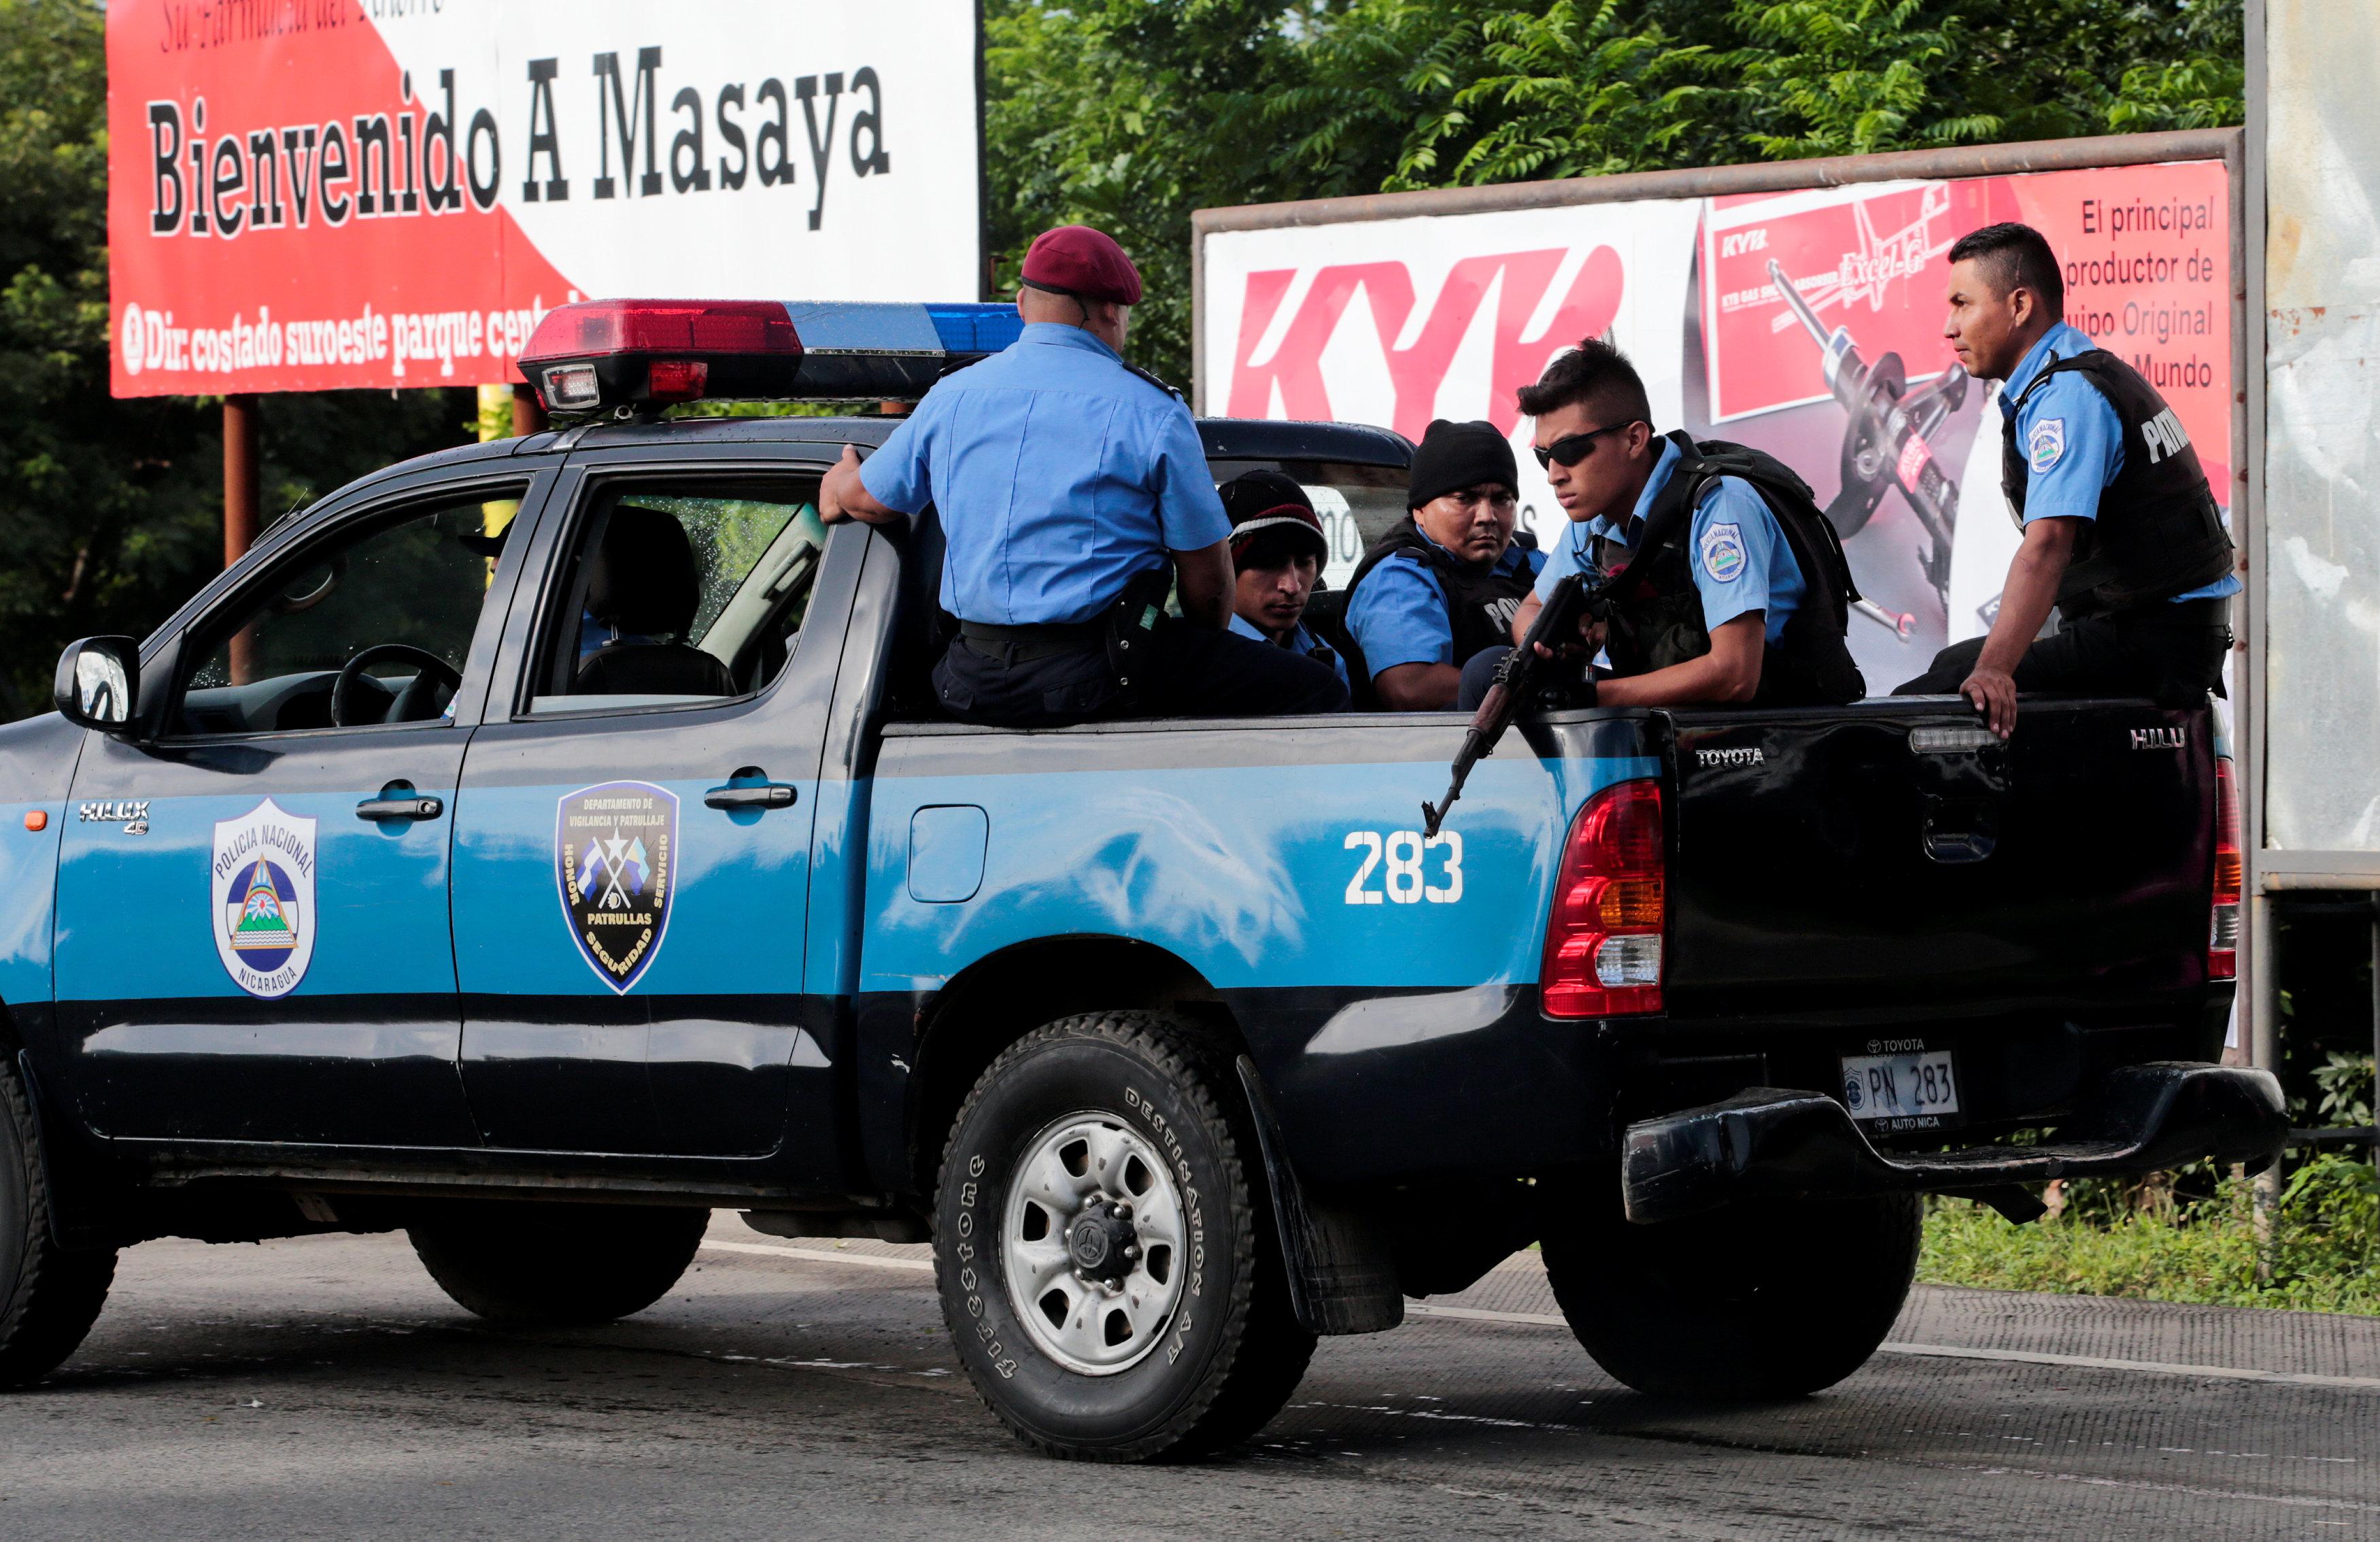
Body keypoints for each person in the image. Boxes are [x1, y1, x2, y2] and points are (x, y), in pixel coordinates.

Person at [817, 224, 1348, 725]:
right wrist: (1206, 644)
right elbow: (1208, 593)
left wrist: (838, 482)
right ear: (1111, 311)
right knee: (1321, 689)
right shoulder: (1152, 411)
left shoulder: (952, 397)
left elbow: (870, 499)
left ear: (1023, 305)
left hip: (967, 683)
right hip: (1102, 679)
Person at [1891, 221, 2236, 735]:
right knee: (1954, 664)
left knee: (1928, 694)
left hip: (2156, 640)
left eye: (1963, 304)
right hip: (2156, 628)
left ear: (2020, 306)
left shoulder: (2066, 397)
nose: (1949, 327)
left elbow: (2048, 545)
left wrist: (1994, 670)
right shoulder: (2077, 370)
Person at [1467, 337, 1863, 710]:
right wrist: (1554, 642)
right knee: (1491, 670)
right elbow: (1532, 608)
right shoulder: (1594, 522)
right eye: (1544, 456)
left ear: (1635, 440)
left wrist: (1591, 695)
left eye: (1570, 450)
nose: (1555, 474)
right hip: (1672, 721)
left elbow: (1735, 674)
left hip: (1769, 728)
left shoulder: (1718, 506)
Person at [1343, 419, 1544, 709]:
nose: (1487, 515)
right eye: (1465, 499)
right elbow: (1409, 687)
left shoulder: (1530, 561)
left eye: (1502, 499)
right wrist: (1537, 690)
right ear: (1420, 509)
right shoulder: (1399, 576)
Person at [1217, 471, 1348, 688]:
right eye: (1268, 564)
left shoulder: (1327, 658)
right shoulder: (1193, 664)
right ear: (1226, 570)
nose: (1292, 586)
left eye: (1305, 562)